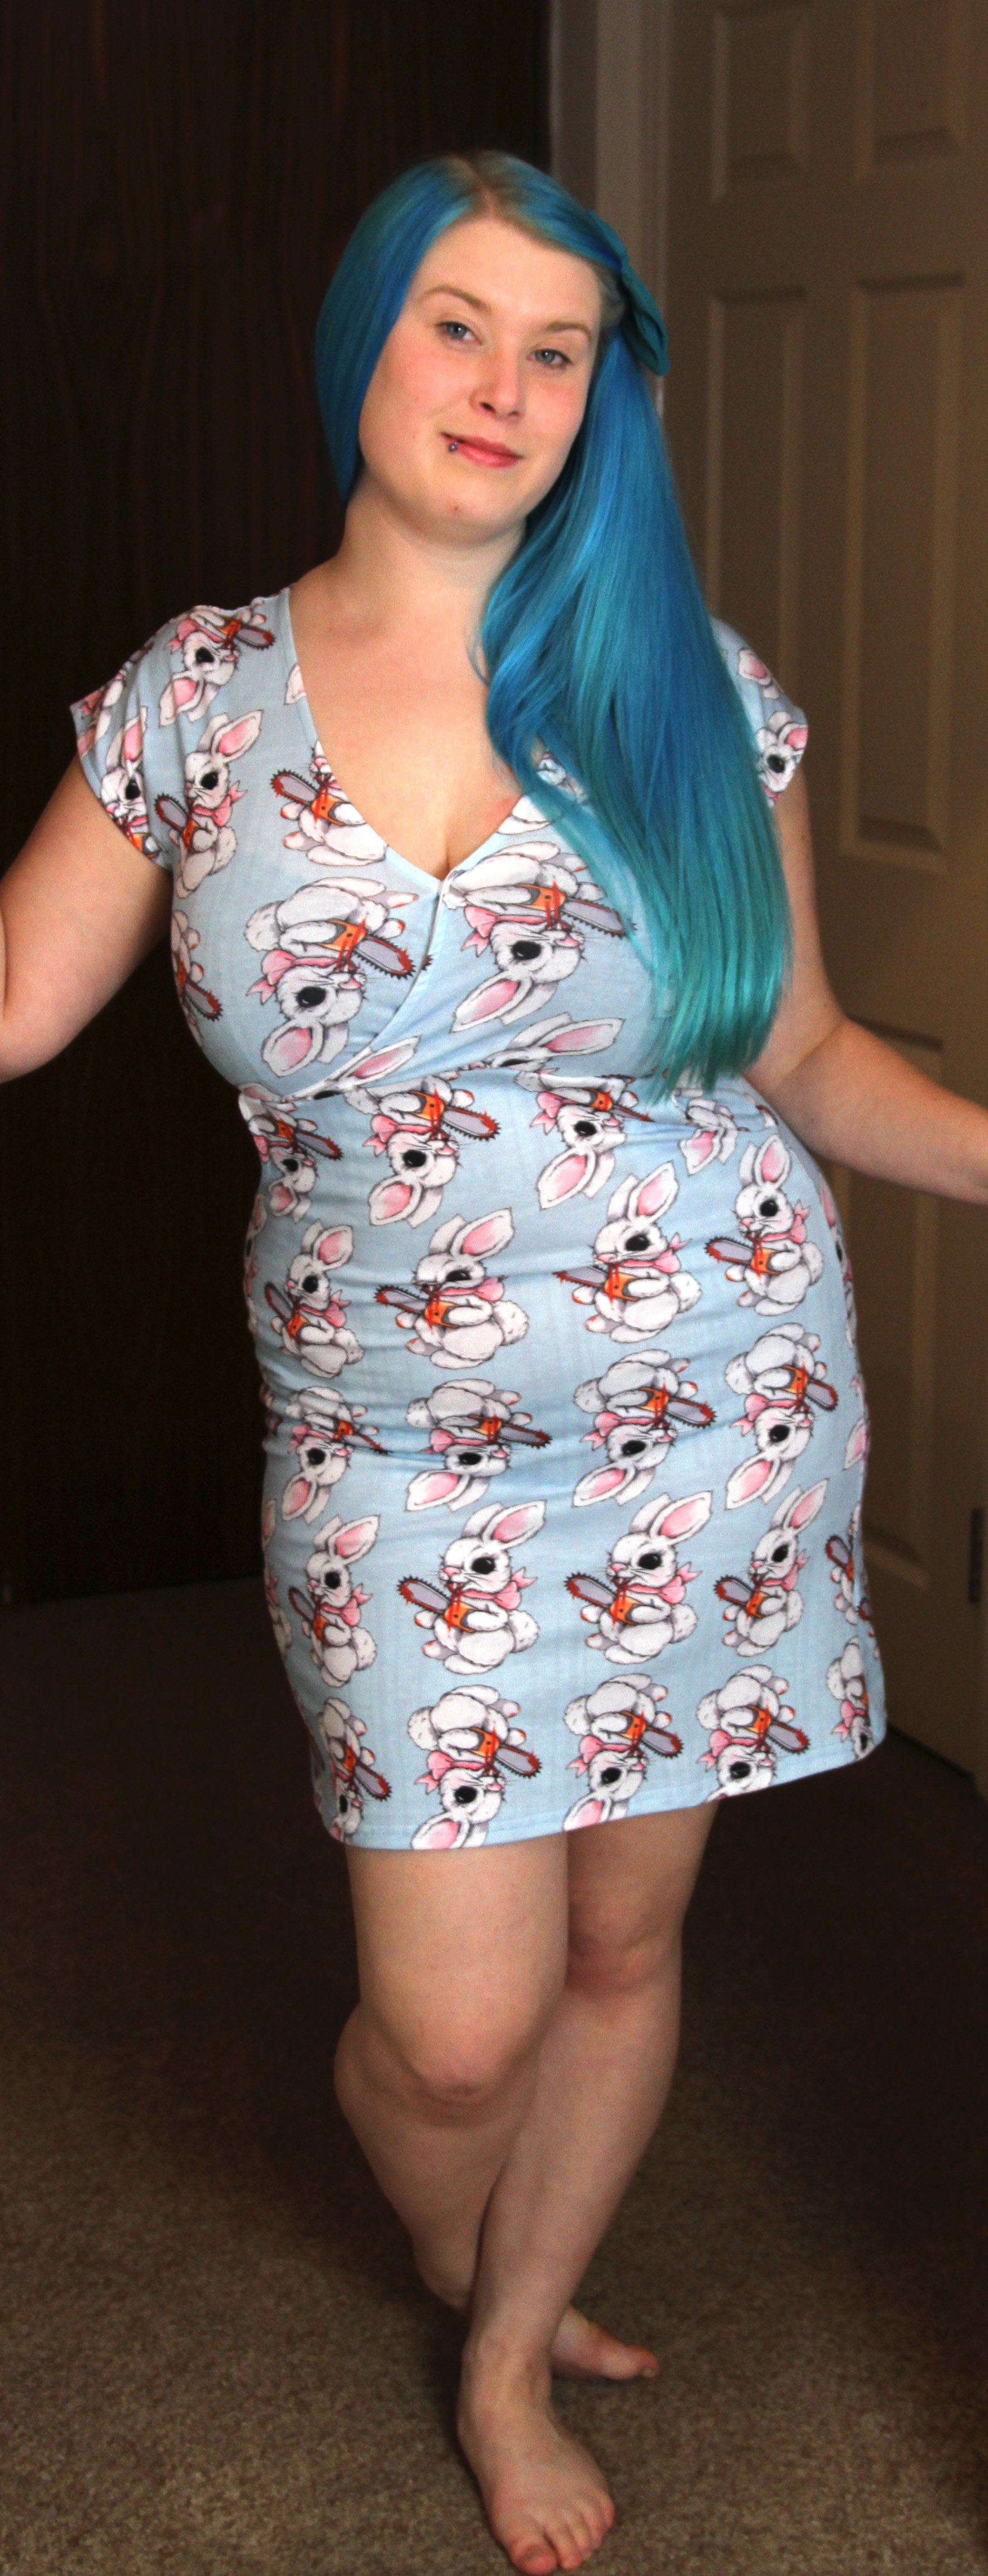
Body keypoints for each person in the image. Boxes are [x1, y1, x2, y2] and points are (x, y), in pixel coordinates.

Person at [3, 149, 987, 2575]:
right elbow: (13, 1001)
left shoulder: (688, 690)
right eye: (460, 323)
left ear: (598, 404)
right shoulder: (192, 699)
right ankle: (476, 2246)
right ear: (364, 338)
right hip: (394, 1454)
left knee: (626, 1945)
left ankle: (505, 2342)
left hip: (715, 1408)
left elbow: (803, 1051)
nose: (504, 385)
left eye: (559, 351)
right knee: (451, 2039)